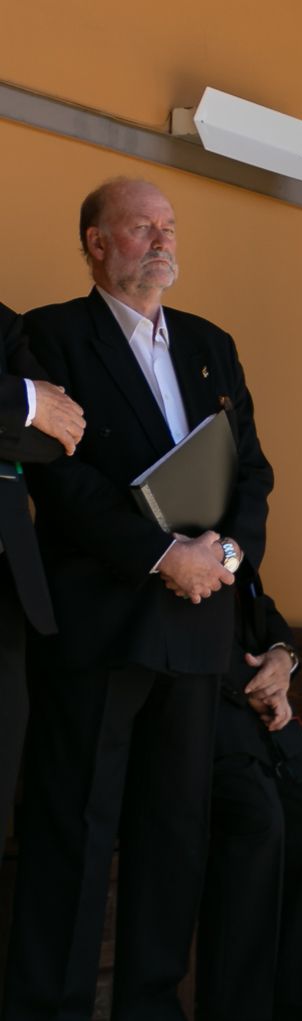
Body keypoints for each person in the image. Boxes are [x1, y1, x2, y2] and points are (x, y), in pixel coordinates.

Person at [6, 177, 274, 1021]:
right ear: (95, 243)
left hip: (197, 626)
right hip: (100, 625)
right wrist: (162, 555)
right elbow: (63, 484)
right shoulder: (51, 335)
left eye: (169, 226)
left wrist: (223, 555)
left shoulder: (211, 344)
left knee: (173, 838)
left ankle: (150, 1009)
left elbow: (253, 473)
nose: (161, 241)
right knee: (72, 836)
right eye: (140, 228)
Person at [197, 574, 302, 1021]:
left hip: (262, 717)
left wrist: (282, 660)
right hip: (203, 711)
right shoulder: (185, 546)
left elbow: (262, 611)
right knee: (258, 822)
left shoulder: (238, 553)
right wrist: (254, 686)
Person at [0, 299, 82, 845]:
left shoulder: (4, 324)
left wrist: (26, 413)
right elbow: (37, 415)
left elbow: (56, 439)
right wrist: (26, 402)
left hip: (5, 594)